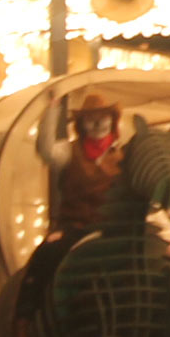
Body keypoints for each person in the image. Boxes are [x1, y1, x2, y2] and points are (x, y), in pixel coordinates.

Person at [47, 91, 126, 236]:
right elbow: (46, 151)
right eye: (90, 119)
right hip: (74, 228)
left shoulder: (124, 154)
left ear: (112, 121)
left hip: (113, 231)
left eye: (103, 118)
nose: (97, 124)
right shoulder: (69, 150)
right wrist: (52, 110)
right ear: (82, 125)